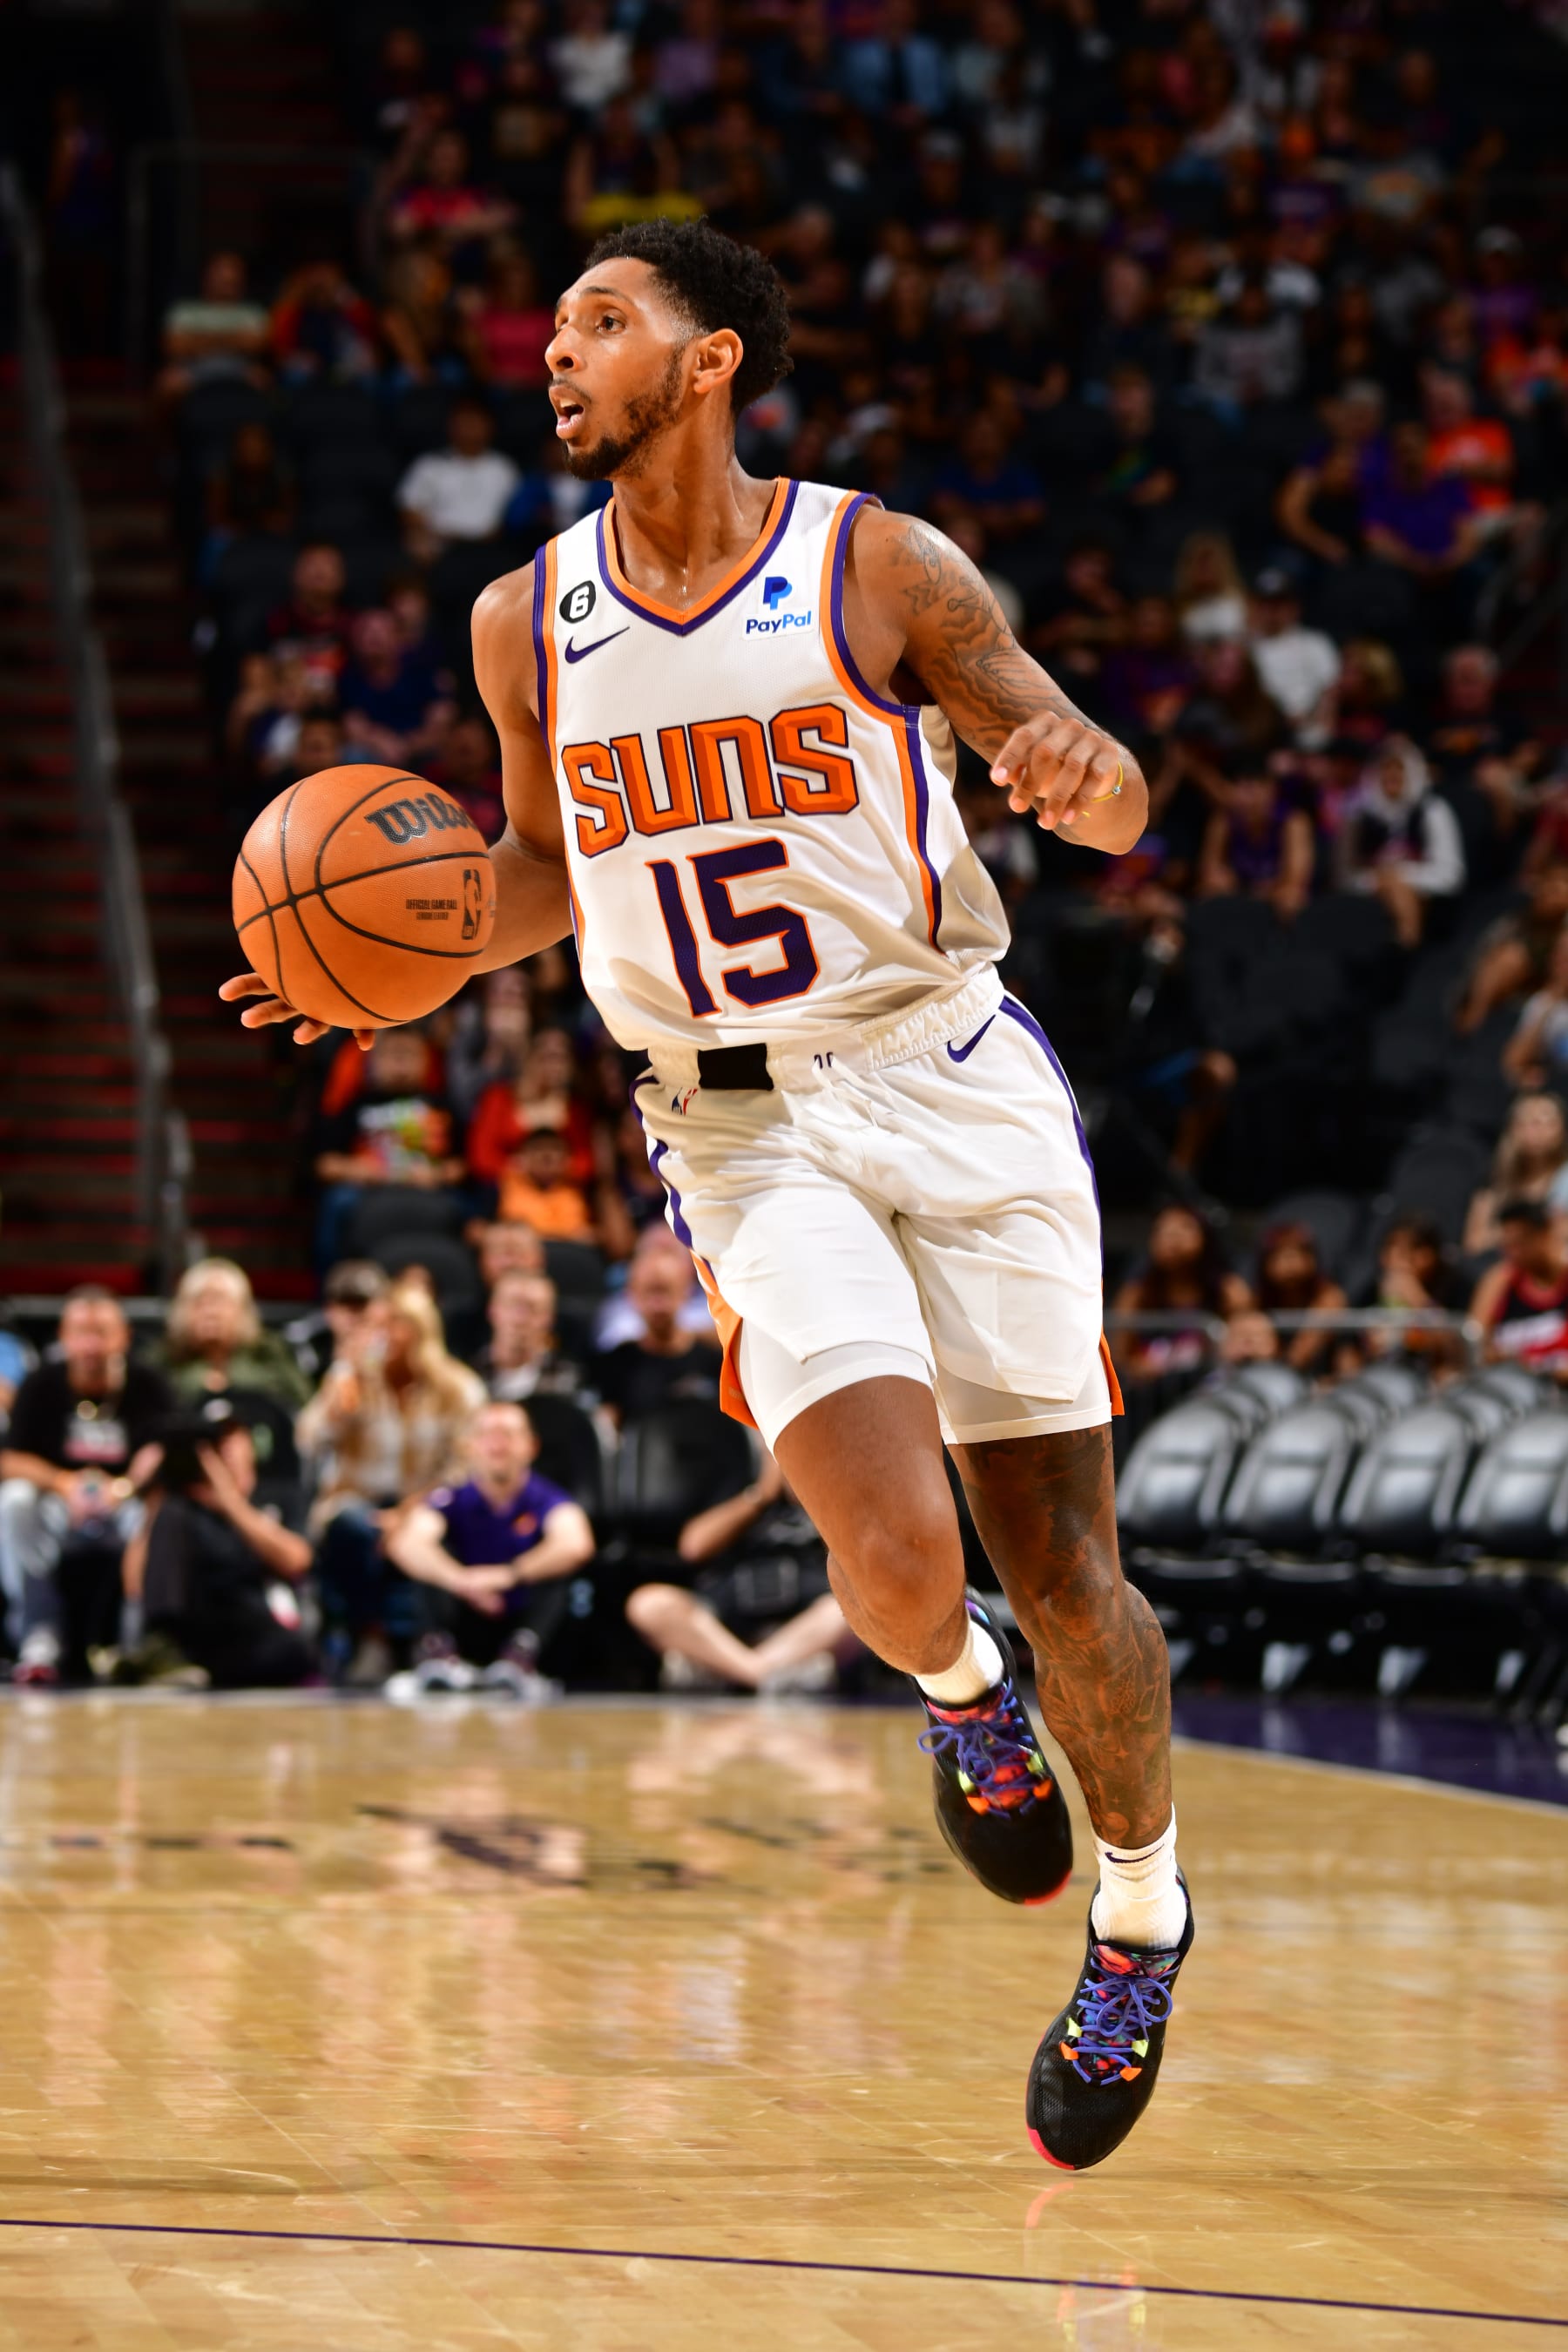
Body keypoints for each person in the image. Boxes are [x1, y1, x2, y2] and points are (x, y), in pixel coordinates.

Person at [224, 218, 1189, 2173]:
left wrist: (1090, 780)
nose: (559, 353)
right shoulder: (529, 622)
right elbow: (535, 875)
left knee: (1073, 1569)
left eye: (603, 323)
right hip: (742, 1125)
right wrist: (376, 951)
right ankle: (957, 1689)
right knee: (911, 1564)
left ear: (711, 357)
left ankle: (1145, 1914)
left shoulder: (877, 561)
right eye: (557, 328)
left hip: (953, 1074)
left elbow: (1055, 744)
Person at [297, 1282, 484, 1682]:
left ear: (420, 1330)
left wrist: (410, 1509)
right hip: (355, 1503)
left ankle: (418, 1640)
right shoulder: (352, 1378)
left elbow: (463, 1468)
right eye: (376, 1325)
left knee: (419, 1534)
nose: (383, 1334)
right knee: (353, 1528)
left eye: (394, 1324)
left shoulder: (456, 1388)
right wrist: (340, 1397)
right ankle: (375, 1636)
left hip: (427, 1505)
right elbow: (310, 1440)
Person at [0, 1288, 172, 1686]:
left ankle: (136, 1643)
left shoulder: (149, 1385)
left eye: (102, 1332)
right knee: (14, 1501)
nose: (91, 1344)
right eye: (81, 1332)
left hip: (125, 1508)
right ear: (63, 1336)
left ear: (124, 1337)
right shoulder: (42, 1384)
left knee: (162, 1511)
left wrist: (126, 1486)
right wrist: (62, 1483)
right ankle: (38, 1636)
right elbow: (9, 1460)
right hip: (59, 1508)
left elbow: (166, 1454)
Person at [383, 1399, 594, 1695]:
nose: (498, 1444)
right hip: (465, 1614)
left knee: (557, 1564)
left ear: (531, 1446)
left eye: (508, 1434)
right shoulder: (451, 1498)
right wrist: (459, 1580)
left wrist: (508, 1575)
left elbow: (576, 1543)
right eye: (486, 1434)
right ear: (469, 1446)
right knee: (429, 1554)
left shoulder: (547, 1498)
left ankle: (521, 1660)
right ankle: (439, 1655)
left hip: (519, 1614)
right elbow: (406, 1544)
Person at [626, 1447, 854, 1693]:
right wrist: (760, 1496)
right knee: (649, 1605)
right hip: (727, 1615)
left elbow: (857, 1553)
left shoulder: (831, 1471)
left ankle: (734, 1674)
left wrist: (809, 1492)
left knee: (859, 1610)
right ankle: (759, 1674)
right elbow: (693, 1547)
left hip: (804, 1617)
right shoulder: (732, 1467)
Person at [134, 1403, 313, 1689]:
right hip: (197, 1631)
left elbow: (297, 1560)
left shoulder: (278, 1494)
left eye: (232, 1436)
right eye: (213, 1441)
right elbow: (133, 1584)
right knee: (172, 1514)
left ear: (250, 1443)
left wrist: (229, 1501)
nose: (224, 1449)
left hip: (257, 1630)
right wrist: (152, 1494)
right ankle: (162, 1649)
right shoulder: (181, 1507)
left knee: (291, 1650)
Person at [1338, 737, 1465, 949]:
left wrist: (1401, 876)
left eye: (1399, 769)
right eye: (1385, 769)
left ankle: (1406, 948)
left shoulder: (1432, 811)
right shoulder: (1358, 817)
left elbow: (1451, 875)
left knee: (1401, 893)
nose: (1391, 776)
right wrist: (1380, 881)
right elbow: (1344, 875)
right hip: (1368, 897)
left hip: (1427, 901)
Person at [159, 1257, 311, 1411]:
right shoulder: (165, 1360)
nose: (211, 1312)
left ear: (242, 1311)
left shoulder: (269, 1354)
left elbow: (302, 1406)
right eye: (200, 1303)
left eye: (220, 1301)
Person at [592, 1244, 722, 1424]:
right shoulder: (616, 1363)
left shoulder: (715, 1360)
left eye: (665, 1291)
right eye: (650, 1293)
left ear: (685, 1292)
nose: (658, 1305)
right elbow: (607, 1428)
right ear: (632, 1294)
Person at [396, 397, 521, 563]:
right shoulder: (429, 465)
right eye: (463, 422)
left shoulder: (504, 468)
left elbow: (517, 512)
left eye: (475, 422)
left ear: (489, 426)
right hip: (441, 550)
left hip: (492, 549)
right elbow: (408, 509)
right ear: (450, 426)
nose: (469, 428)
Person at [1470, 1200, 1568, 1380]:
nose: (1513, 1253)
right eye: (1507, 1245)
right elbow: (1474, 1341)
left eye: (1520, 1244)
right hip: (1509, 1384)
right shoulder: (1500, 1281)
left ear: (1545, 1234)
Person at [1462, 1093, 1568, 1256]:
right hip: (1499, 1261)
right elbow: (1474, 1243)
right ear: (1512, 1129)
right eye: (1527, 1122)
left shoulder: (1564, 1181)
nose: (1536, 1130)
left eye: (1546, 1122)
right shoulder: (1494, 1179)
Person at [1254, 1222, 1348, 1375]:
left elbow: (1301, 1356)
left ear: (1312, 1258)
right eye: (1280, 1254)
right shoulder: (1258, 1300)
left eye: (1296, 1253)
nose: (1289, 1263)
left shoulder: (1329, 1296)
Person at [476, 1270, 586, 1402]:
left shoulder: (567, 1379)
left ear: (550, 1319)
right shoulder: (468, 1375)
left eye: (533, 1309)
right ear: (492, 1311)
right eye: (511, 1306)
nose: (520, 1320)